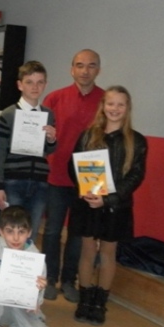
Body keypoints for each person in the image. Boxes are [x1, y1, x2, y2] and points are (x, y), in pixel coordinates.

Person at [70, 86, 147, 325]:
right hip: (88, 203)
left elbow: (135, 176)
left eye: (120, 104)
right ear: (103, 106)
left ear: (127, 108)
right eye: (110, 103)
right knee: (87, 251)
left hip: (116, 207)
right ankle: (85, 299)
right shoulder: (88, 135)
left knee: (107, 253)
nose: (115, 109)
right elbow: (73, 167)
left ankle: (100, 303)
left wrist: (108, 199)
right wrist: (85, 190)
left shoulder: (137, 141)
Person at [42, 49, 104, 302]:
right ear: (72, 69)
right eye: (80, 65)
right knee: (52, 231)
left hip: (89, 178)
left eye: (91, 66)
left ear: (98, 70)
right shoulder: (55, 98)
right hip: (56, 175)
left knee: (78, 235)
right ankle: (49, 279)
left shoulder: (106, 100)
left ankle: (69, 280)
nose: (85, 71)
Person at [0, 61, 57, 240]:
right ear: (20, 85)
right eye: (29, 82)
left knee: (31, 234)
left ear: (45, 85)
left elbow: (49, 150)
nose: (35, 87)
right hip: (13, 181)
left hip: (39, 182)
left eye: (40, 82)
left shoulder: (48, 114)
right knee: (10, 235)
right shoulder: (8, 114)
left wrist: (52, 139)